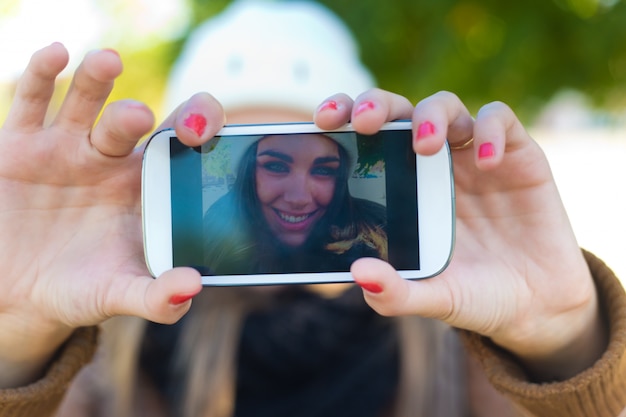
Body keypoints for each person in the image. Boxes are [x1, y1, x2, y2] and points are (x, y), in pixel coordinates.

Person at [1, 2, 626, 417]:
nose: (299, 194)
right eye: (271, 161)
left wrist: (565, 342)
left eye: (324, 164)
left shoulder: (455, 346)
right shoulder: (103, 355)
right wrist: (16, 344)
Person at [201, 131, 387, 276]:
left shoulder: (380, 227)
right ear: (247, 173)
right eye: (276, 166)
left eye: (323, 170)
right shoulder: (214, 231)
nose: (299, 199)